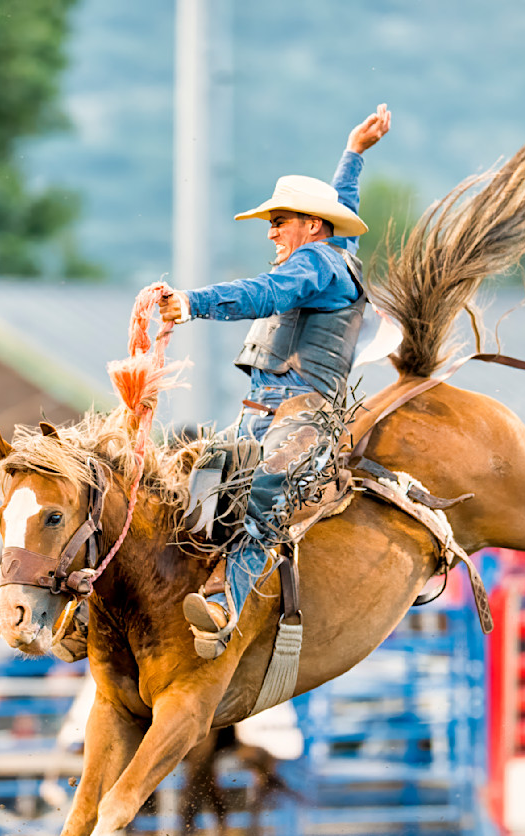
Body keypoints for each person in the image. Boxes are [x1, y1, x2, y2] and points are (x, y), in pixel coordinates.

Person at [159, 105, 392, 658]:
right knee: (201, 492)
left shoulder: (315, 265)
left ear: (312, 226)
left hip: (302, 413)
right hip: (263, 410)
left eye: (278, 222)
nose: (271, 234)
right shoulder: (337, 255)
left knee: (259, 495)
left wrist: (192, 303)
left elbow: (266, 293)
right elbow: (344, 210)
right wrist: (353, 154)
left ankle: (224, 610)